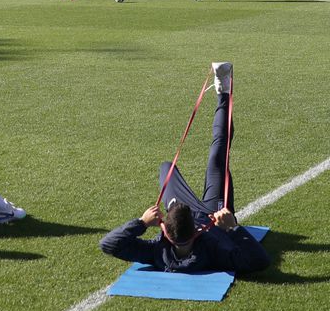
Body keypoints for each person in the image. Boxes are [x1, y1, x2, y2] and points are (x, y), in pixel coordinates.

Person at [100, 62, 268, 274]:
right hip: (213, 215)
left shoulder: (157, 251)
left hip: (191, 216)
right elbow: (260, 261)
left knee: (166, 167)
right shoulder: (215, 248)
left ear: (165, 231)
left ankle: (223, 89)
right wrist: (232, 228)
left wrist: (142, 223)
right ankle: (223, 90)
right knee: (217, 157)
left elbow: (108, 244)